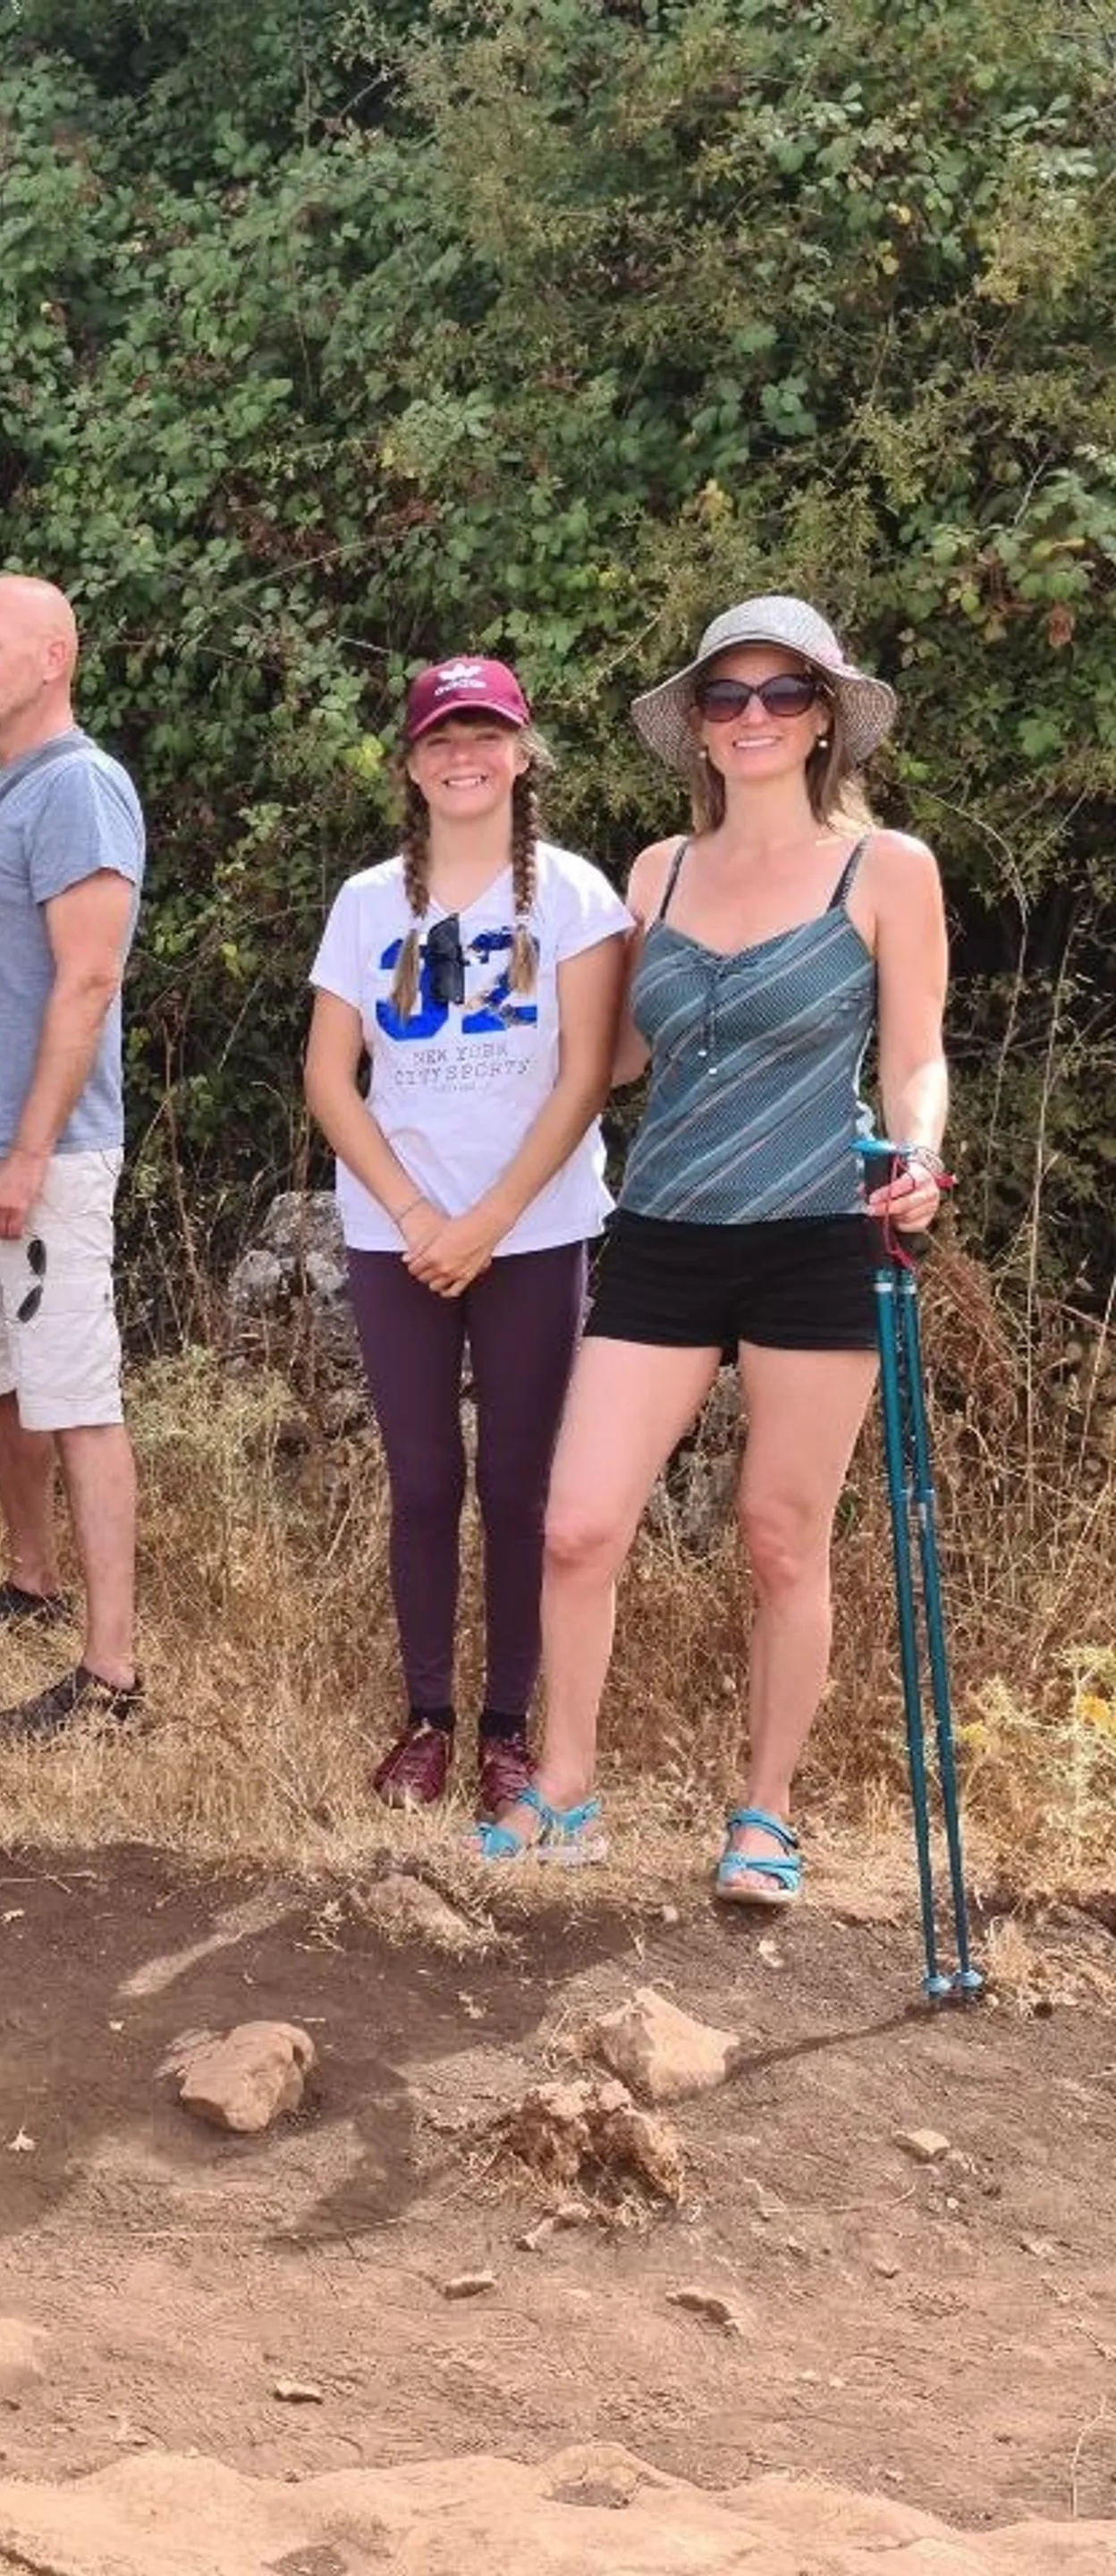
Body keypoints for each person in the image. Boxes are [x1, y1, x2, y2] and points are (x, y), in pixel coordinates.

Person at [483, 597, 949, 1901]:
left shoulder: (889, 871)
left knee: (780, 1537)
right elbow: (622, 1056)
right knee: (578, 1527)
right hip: (664, 1231)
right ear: (694, 724)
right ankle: (565, 1787)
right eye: (726, 697)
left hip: (814, 1232)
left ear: (823, 722)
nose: (752, 718)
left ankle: (767, 1814)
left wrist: (914, 1153)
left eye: (781, 695)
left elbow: (916, 1054)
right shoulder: (654, 875)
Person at [302, 657, 632, 1822]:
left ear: (523, 753)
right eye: (442, 736)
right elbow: (329, 1081)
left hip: (535, 1233)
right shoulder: (365, 903)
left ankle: (509, 1732)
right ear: (410, 760)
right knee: (426, 1478)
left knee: (519, 1485)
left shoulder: (579, 898)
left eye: (486, 733)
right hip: (399, 1235)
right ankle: (428, 1719)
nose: (463, 755)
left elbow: (590, 1072)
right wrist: (416, 1217)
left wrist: (488, 1222)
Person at [0, 576, 148, 1741]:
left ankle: (111, 1678)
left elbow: (89, 978)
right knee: (4, 1382)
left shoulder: (80, 789)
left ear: (53, 654)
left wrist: (27, 1152)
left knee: (77, 1395)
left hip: (40, 1162)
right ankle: (31, 1582)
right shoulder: (7, 791)